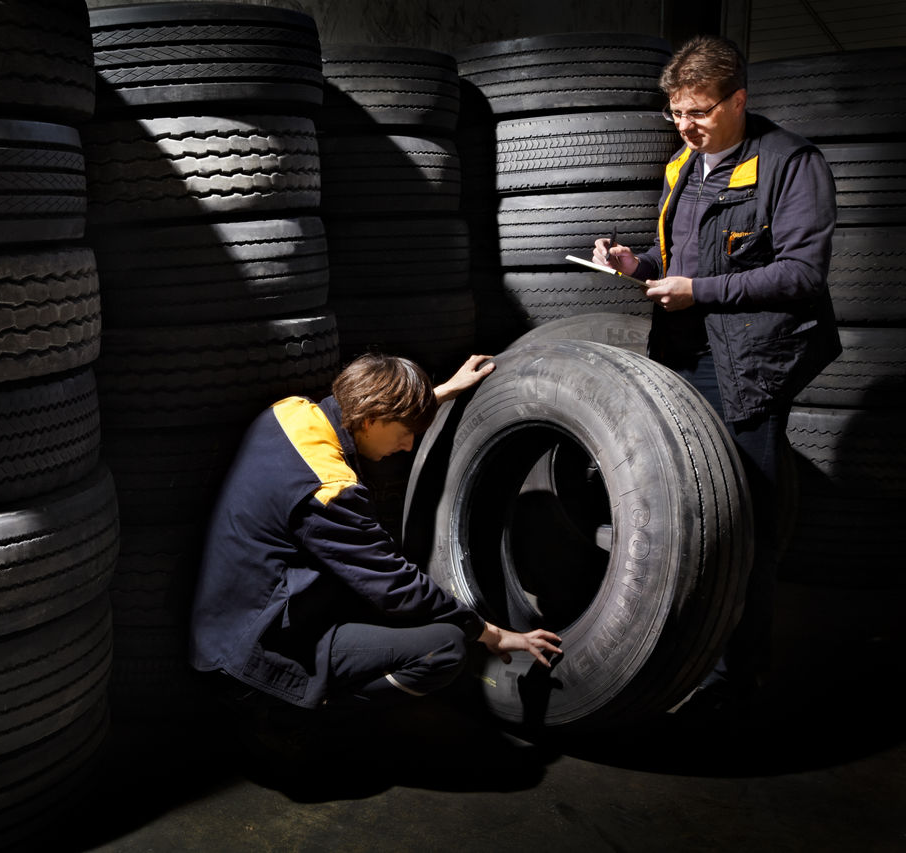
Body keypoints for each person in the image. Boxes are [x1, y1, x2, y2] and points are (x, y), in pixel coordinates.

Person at [591, 35, 841, 722]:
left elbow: (801, 274)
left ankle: (738, 674)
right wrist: (633, 265)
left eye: (699, 111)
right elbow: (677, 258)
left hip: (749, 364)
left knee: (745, 521)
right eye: (677, 112)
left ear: (738, 99)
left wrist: (698, 291)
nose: (687, 125)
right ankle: (684, 644)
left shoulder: (791, 164)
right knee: (686, 510)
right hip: (680, 355)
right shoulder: (682, 167)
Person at [189, 352, 562, 731]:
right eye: (406, 433)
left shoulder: (289, 413)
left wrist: (440, 392)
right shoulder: (330, 491)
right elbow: (397, 586)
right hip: (254, 653)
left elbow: (372, 412)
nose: (407, 446)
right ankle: (297, 720)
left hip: (225, 623)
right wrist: (489, 633)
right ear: (371, 419)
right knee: (446, 646)